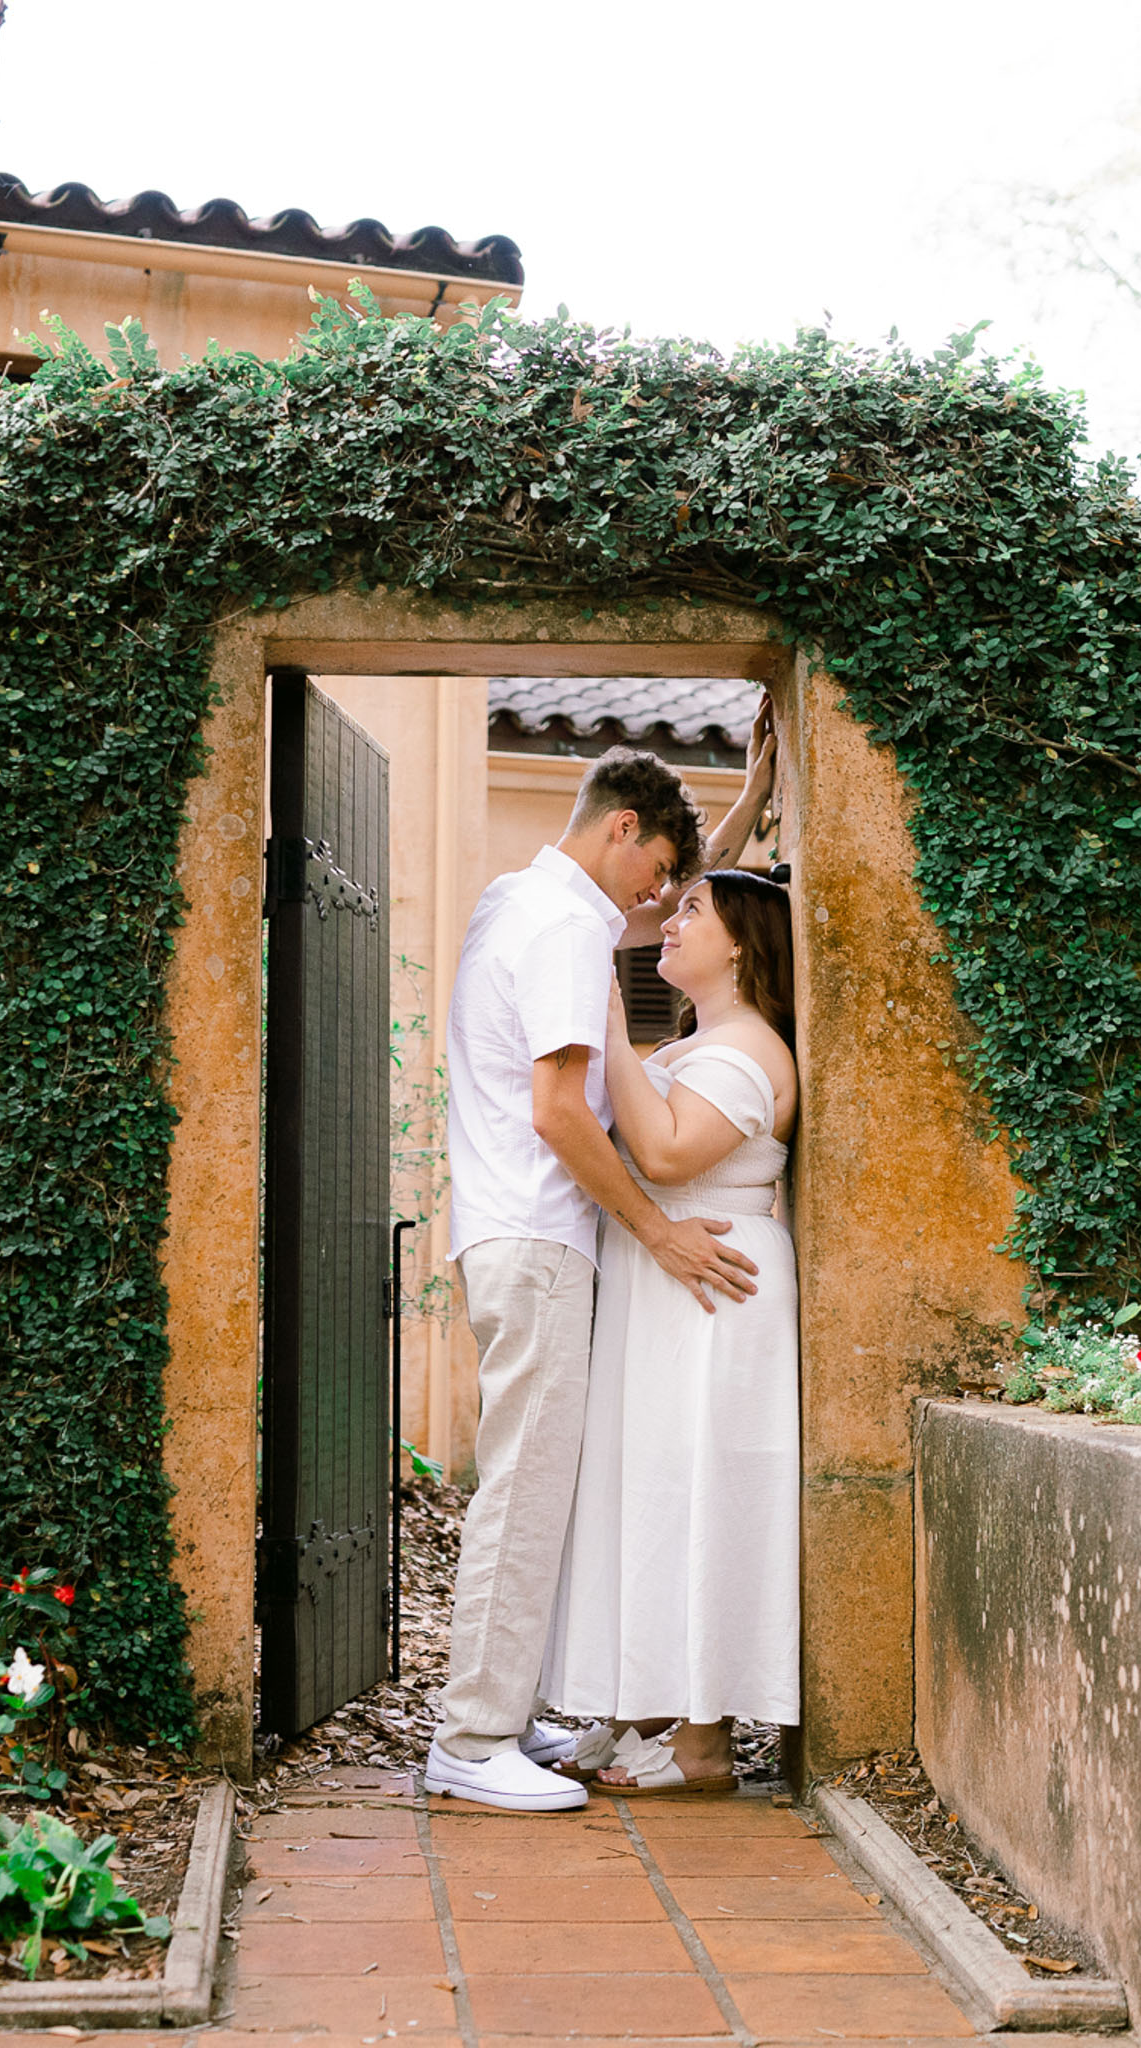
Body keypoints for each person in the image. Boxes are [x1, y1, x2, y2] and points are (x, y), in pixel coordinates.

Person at [423, 715, 778, 1814]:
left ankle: (500, 1713)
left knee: (531, 1485)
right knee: (524, 1489)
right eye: (659, 871)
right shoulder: (570, 933)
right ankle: (473, 1736)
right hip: (537, 1232)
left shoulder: (517, 901)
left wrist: (753, 791)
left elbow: (686, 909)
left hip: (502, 1229)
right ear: (622, 830)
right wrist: (659, 1230)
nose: (657, 900)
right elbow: (560, 1117)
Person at [540, 867, 799, 1794]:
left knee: (701, 1497)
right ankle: (646, 1708)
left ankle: (702, 1746)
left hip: (715, 1292)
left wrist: (604, 1021)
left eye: (695, 910)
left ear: (741, 942)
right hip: (672, 1285)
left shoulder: (746, 1049)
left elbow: (662, 1152)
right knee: (654, 1494)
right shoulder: (705, 1039)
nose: (671, 919)